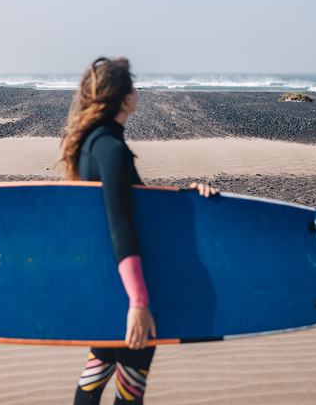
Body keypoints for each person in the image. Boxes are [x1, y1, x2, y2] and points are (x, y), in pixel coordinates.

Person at [59, 57, 218, 404]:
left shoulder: (92, 144)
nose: (136, 91)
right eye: (132, 85)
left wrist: (186, 199)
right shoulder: (111, 149)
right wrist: (139, 302)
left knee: (95, 375)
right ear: (123, 98)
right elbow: (121, 223)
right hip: (132, 289)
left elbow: (137, 208)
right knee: (130, 390)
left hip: (109, 283)